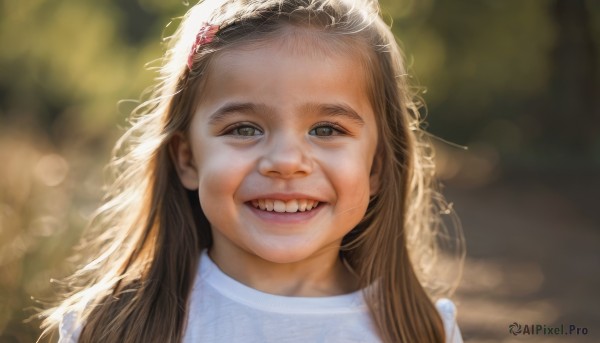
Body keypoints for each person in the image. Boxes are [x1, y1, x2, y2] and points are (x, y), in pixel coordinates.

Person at [40, 0, 464, 342]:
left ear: (375, 167)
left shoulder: (423, 332)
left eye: (326, 129)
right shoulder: (111, 329)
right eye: (244, 128)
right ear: (187, 159)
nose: (285, 161)